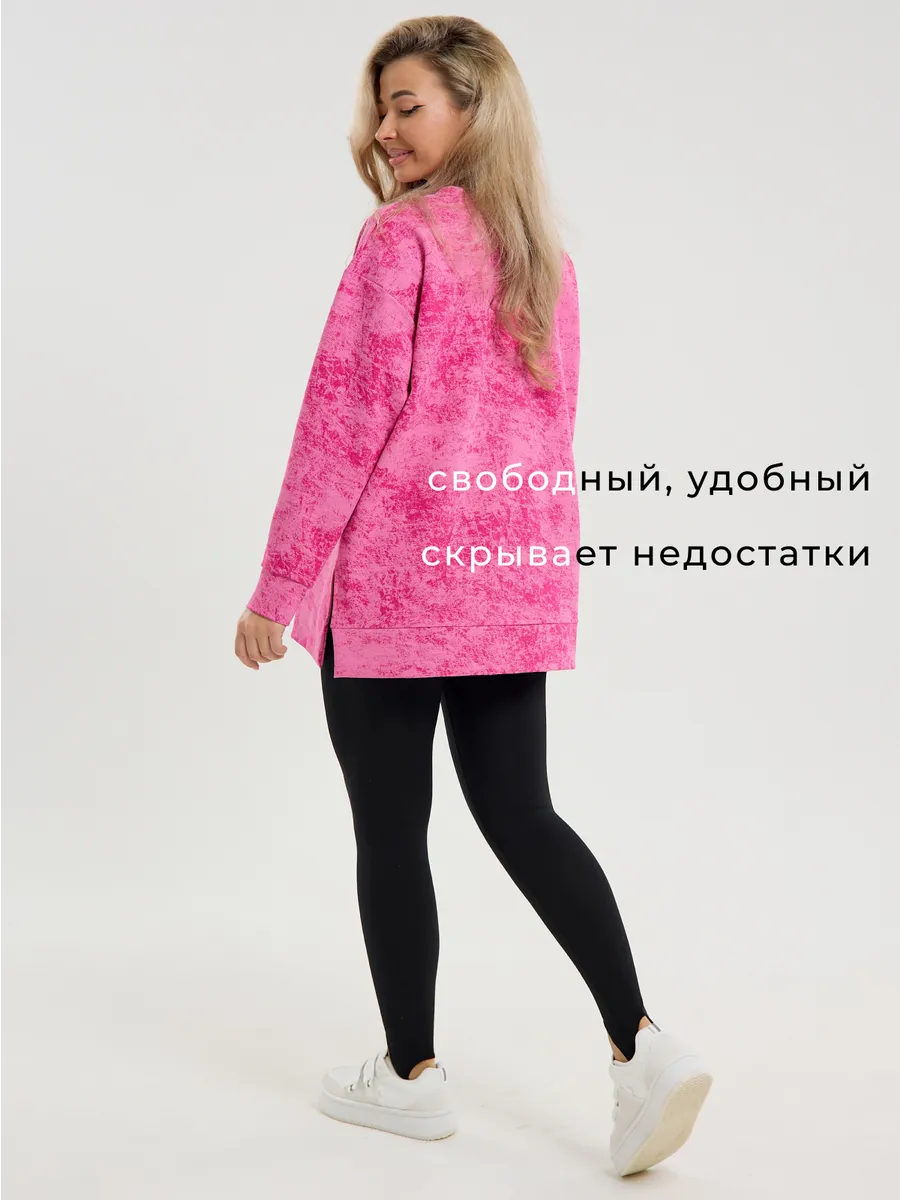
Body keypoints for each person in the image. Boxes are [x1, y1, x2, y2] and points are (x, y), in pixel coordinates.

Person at [234, 15, 712, 1177]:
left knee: (391, 825)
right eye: (379, 108)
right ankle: (640, 1044)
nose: (384, 130)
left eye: (408, 105)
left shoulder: (397, 241)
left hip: (396, 587)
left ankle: (411, 1076)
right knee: (522, 813)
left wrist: (278, 587)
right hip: (505, 578)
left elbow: (341, 424)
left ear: (473, 108)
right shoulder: (544, 260)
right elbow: (550, 436)